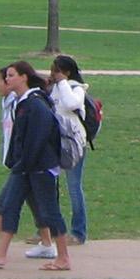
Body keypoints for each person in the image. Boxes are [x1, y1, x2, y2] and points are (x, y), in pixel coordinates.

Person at [0, 61, 71, 270]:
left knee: (50, 212)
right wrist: (15, 162)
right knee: (9, 205)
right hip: (24, 167)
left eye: (11, 75)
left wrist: (25, 163)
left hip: (40, 168)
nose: (7, 79)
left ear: (24, 77)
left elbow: (39, 137)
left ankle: (63, 258)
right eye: (6, 76)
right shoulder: (22, 102)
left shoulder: (35, 103)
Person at [47, 55, 91, 244]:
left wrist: (63, 83)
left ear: (67, 72)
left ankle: (78, 232)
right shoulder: (55, 88)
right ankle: (48, 229)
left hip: (74, 143)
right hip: (55, 141)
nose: (53, 74)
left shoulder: (77, 89)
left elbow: (71, 104)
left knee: (74, 187)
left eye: (57, 71)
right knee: (48, 186)